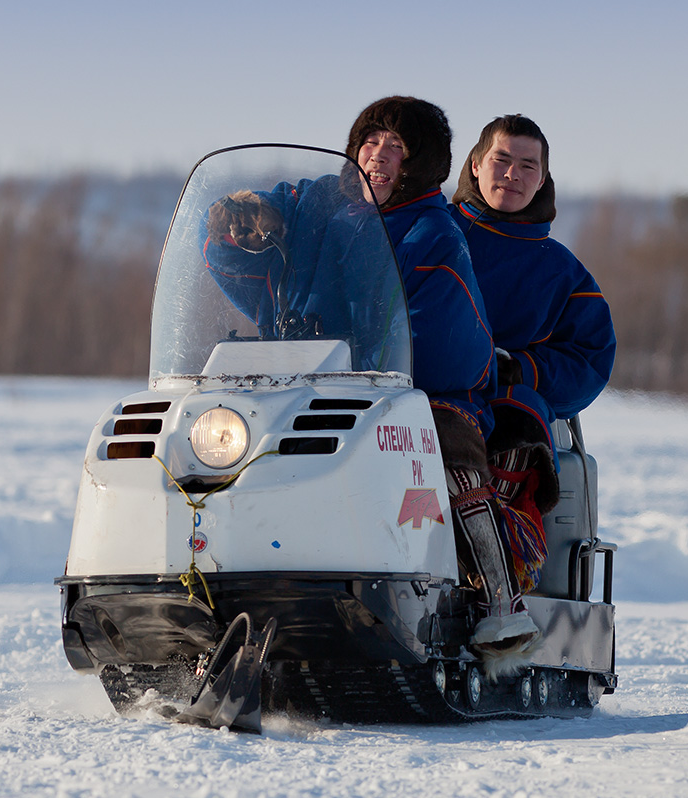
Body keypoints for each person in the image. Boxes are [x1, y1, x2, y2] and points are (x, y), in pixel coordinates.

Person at [203, 97, 540, 668]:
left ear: (422, 165)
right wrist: (238, 219)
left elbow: (452, 344)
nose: (379, 158)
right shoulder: (316, 202)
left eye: (398, 149)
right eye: (371, 142)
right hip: (297, 379)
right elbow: (244, 258)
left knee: (447, 443)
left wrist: (382, 361)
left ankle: (497, 600)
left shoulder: (433, 233)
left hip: (406, 389)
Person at [450, 115, 616, 595]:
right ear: (476, 165)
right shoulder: (427, 236)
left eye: (527, 165)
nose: (512, 174)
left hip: (499, 410)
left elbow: (591, 358)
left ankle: (498, 582)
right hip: (415, 396)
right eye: (501, 160)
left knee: (520, 419)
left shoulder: (559, 270)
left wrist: (521, 368)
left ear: (543, 178)